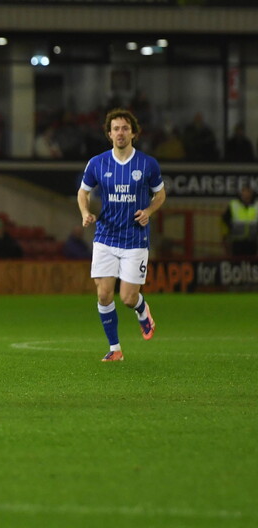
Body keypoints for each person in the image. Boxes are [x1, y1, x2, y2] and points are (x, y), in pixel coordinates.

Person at [78, 108, 166, 363]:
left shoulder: (147, 164)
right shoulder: (98, 163)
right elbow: (83, 193)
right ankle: (115, 348)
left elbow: (160, 194)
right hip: (105, 236)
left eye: (125, 128)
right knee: (104, 294)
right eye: (116, 128)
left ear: (133, 133)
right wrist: (85, 212)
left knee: (127, 297)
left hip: (135, 239)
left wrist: (149, 210)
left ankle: (141, 308)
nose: (120, 132)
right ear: (109, 134)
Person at [222, 185, 257, 257]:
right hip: (237, 240)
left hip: (252, 240)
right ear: (241, 193)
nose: (246, 194)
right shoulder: (234, 204)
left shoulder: (256, 205)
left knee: (251, 263)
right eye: (244, 191)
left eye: (248, 192)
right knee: (237, 262)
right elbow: (225, 218)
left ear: (252, 193)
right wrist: (231, 228)